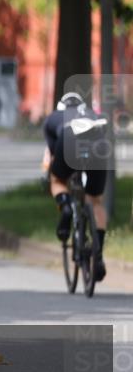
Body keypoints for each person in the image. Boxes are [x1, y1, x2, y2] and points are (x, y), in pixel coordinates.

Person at [44, 92, 109, 282]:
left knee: (57, 181)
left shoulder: (52, 119)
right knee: (95, 200)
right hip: (97, 142)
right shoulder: (91, 114)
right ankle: (98, 256)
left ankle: (65, 207)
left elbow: (53, 155)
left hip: (67, 140)